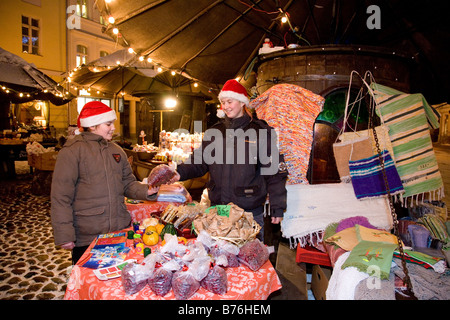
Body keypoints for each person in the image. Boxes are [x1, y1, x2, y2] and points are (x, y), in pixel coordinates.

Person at [172, 79, 288, 239]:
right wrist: (178, 172)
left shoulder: (260, 133)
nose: (225, 106)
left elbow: (274, 172)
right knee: (218, 260)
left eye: (229, 101)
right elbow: (199, 161)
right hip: (218, 212)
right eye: (223, 102)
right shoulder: (215, 133)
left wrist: (277, 206)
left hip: (248, 213)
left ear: (242, 102)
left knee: (249, 259)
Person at [50, 101, 159, 264]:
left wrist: (146, 191)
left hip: (118, 231)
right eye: (108, 123)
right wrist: (65, 234)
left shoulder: (116, 151)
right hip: (88, 236)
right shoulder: (72, 151)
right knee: (89, 278)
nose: (113, 128)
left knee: (116, 278)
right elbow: (61, 197)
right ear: (92, 126)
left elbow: (128, 183)